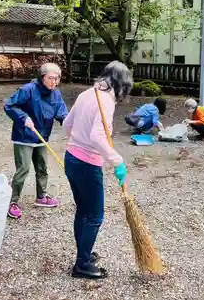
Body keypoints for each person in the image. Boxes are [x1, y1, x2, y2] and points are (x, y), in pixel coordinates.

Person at [63, 61, 133, 279]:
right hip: (86, 164)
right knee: (94, 215)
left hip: (71, 158)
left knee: (83, 211)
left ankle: (83, 254)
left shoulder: (87, 93)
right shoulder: (106, 101)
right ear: (121, 83)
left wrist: (77, 143)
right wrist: (117, 160)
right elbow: (97, 137)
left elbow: (67, 124)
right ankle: (82, 265)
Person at [3, 63, 68, 219]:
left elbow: (62, 113)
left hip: (42, 136)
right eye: (50, 78)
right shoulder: (28, 90)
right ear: (42, 77)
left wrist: (69, 123)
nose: (53, 81)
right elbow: (9, 105)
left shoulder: (56, 94)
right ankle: (12, 201)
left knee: (42, 168)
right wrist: (23, 118)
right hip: (24, 136)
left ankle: (41, 197)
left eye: (56, 78)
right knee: (23, 169)